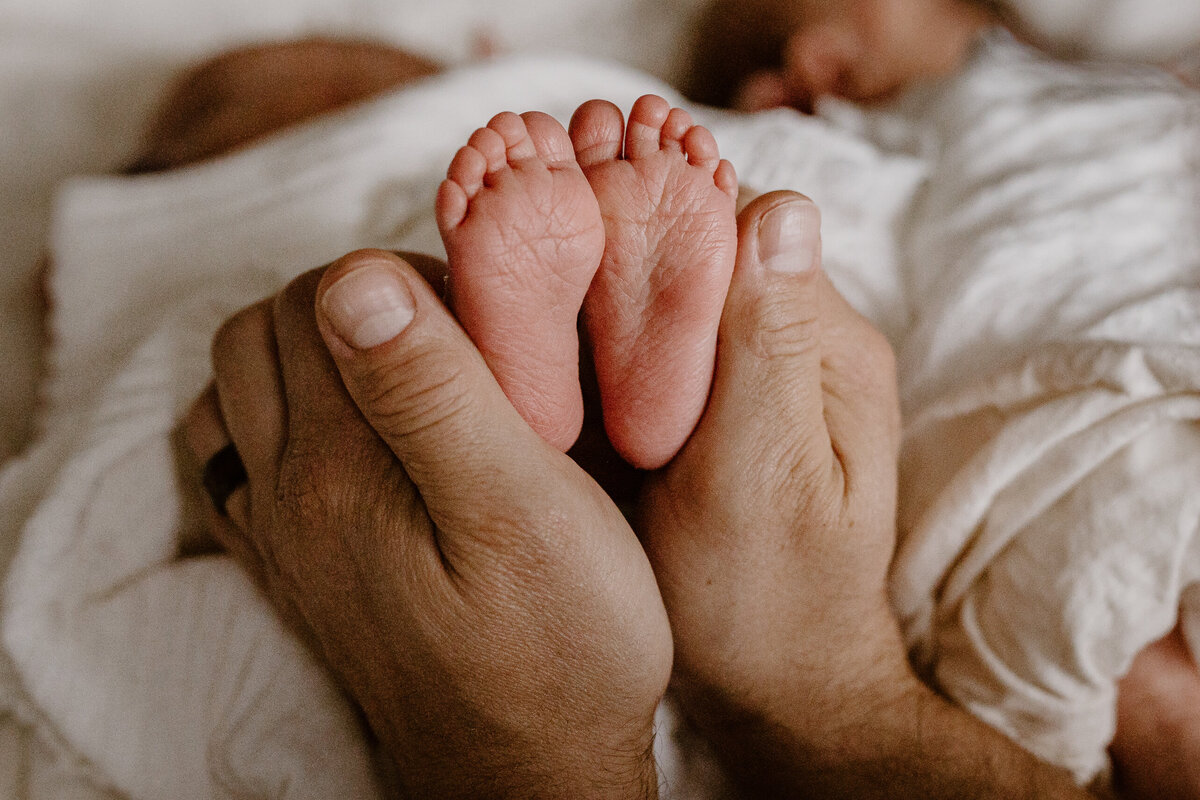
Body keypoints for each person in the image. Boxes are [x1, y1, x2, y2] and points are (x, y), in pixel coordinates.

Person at [181, 98, 1096, 795]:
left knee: (343, 411)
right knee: (736, 344)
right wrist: (821, 690)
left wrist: (524, 766)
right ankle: (613, 409)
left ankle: (549, 409)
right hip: (745, 549)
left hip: (444, 575)